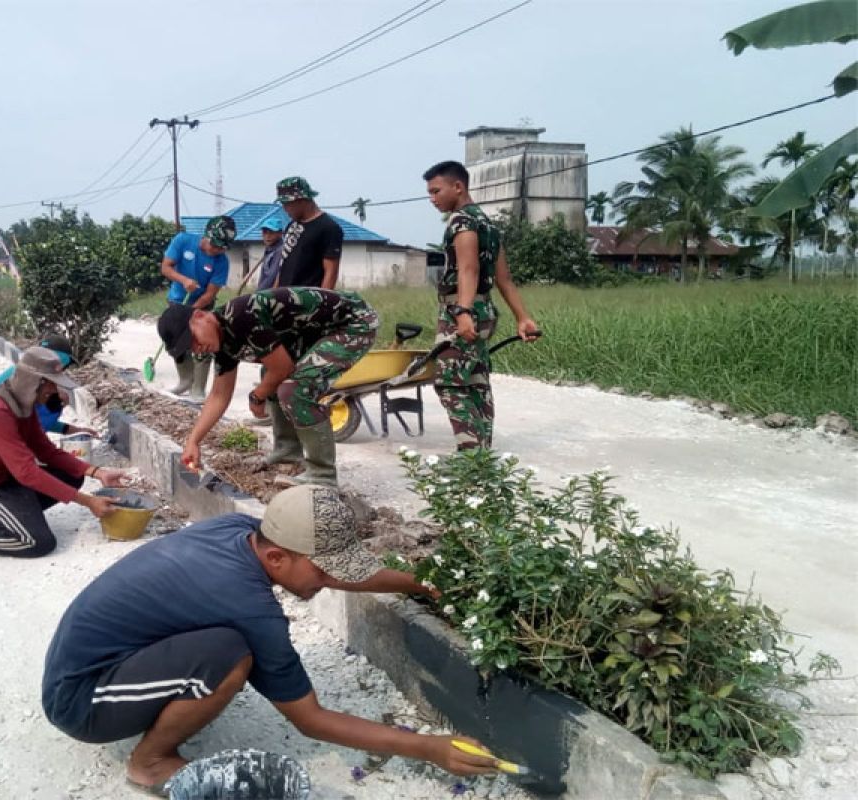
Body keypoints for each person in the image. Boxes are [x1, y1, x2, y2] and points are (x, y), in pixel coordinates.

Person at [41, 484, 497, 796]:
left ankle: (170, 706)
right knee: (230, 655)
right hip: (82, 698)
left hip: (110, 663)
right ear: (277, 556)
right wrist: (428, 747)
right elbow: (310, 719)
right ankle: (150, 763)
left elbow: (313, 569)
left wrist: (419, 583)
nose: (332, 579)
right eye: (325, 571)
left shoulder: (239, 533)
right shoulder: (251, 607)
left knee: (227, 646)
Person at [157, 287, 377, 487]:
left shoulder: (241, 316)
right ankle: (287, 452)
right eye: (190, 348)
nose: (197, 349)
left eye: (193, 339)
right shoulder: (222, 340)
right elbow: (219, 395)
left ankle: (322, 475)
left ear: (200, 316)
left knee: (294, 388)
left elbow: (282, 368)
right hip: (315, 333)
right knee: (269, 376)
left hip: (354, 323)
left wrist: (257, 396)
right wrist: (193, 442)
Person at [0, 347, 127, 557]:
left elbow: (46, 452)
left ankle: (11, 514)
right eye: (51, 383)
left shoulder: (23, 406)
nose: (54, 390)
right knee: (35, 542)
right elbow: (26, 472)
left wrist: (97, 472)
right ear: (35, 382)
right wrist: (88, 501)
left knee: (71, 476)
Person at [423, 160, 541, 450]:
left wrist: (462, 313)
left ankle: (471, 456)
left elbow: (468, 269)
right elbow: (505, 279)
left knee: (450, 383)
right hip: (485, 310)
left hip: (463, 311)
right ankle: (482, 454)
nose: (432, 199)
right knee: (475, 380)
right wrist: (522, 317)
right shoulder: (487, 224)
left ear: (458, 186)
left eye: (436, 191)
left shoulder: (462, 221)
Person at [159, 215, 236, 400]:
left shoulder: (221, 262)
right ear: (207, 235)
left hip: (201, 307)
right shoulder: (183, 241)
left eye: (222, 247)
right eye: (215, 245)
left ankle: (198, 389)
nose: (217, 250)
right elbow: (166, 268)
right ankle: (185, 380)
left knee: (203, 343)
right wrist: (184, 280)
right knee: (176, 341)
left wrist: (192, 312)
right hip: (178, 301)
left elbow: (210, 293)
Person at [0, 332, 95, 437]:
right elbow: (38, 423)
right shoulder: (37, 381)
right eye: (65, 366)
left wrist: (73, 430)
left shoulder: (25, 370)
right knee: (55, 403)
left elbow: (35, 420)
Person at [272, 176, 342, 290]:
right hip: (283, 299)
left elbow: (331, 273)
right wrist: (273, 296)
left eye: (287, 204)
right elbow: (283, 268)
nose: (284, 209)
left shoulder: (329, 228)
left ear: (302, 200)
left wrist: (323, 304)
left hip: (307, 302)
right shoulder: (291, 226)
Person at [254, 218, 285, 291]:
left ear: (280, 234)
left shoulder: (280, 251)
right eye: (264, 232)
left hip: (272, 293)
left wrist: (258, 293)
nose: (267, 236)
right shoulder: (269, 250)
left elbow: (271, 277)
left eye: (271, 232)